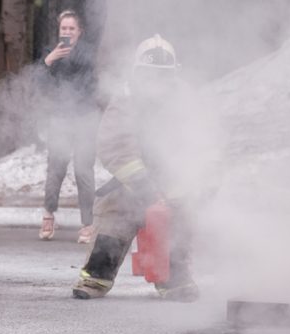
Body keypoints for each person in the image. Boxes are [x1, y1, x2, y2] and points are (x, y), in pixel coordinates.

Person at [72, 34, 199, 302]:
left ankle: (174, 282)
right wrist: (144, 187)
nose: (156, 81)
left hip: (170, 181)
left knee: (177, 221)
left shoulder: (184, 102)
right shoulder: (125, 100)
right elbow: (115, 147)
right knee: (114, 218)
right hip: (130, 185)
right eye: (150, 74)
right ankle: (95, 278)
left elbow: (199, 143)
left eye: (162, 75)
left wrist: (187, 188)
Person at [38, 0, 104, 244]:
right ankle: (48, 214)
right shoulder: (50, 55)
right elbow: (38, 84)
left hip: (86, 118)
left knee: (83, 172)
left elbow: (101, 19)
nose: (67, 32)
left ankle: (88, 224)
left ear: (80, 31)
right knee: (56, 169)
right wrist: (48, 62)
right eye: (63, 28)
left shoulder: (88, 49)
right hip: (61, 120)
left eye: (72, 28)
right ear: (59, 30)